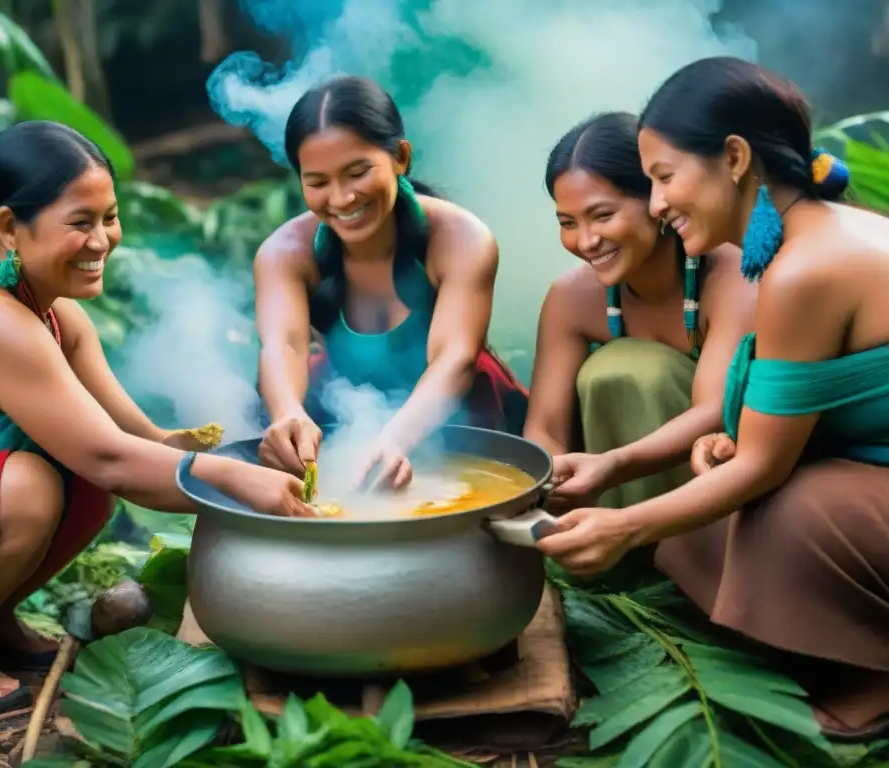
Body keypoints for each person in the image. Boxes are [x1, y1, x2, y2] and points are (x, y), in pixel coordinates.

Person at [0, 120, 315, 715]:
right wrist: (232, 482)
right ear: (8, 229)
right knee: (33, 487)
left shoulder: (54, 313)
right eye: (80, 222)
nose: (103, 239)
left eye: (109, 217)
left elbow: (133, 437)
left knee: (77, 483)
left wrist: (234, 449)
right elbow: (112, 460)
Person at [536, 57, 889, 742]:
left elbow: (763, 466)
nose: (660, 202)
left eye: (664, 178)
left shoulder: (804, 270)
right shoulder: (815, 235)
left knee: (779, 509)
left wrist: (622, 526)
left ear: (733, 157)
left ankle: (875, 674)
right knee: (706, 524)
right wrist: (618, 469)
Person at [254, 75, 528, 490]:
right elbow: (284, 345)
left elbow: (455, 358)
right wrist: (288, 411)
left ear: (400, 157)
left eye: (357, 172)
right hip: (342, 400)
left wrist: (394, 438)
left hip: (456, 408)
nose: (342, 198)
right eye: (318, 182)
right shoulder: (285, 253)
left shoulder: (460, 238)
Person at [525, 112, 755, 511]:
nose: (586, 240)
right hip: (604, 492)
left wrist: (611, 465)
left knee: (634, 369)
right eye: (567, 222)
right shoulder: (571, 296)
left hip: (723, 486)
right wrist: (550, 479)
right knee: (611, 371)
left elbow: (713, 412)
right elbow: (545, 426)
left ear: (656, 199)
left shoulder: (730, 276)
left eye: (602, 215)